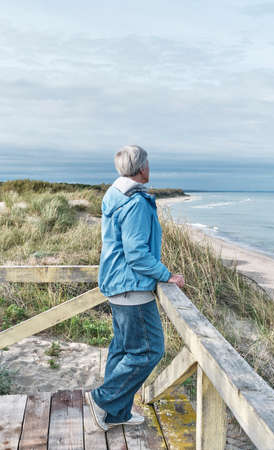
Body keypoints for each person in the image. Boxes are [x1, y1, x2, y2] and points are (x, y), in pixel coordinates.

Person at [85, 145, 184, 431]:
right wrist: (166, 275)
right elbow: (137, 253)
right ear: (141, 168)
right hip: (131, 287)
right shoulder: (136, 202)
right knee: (149, 350)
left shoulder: (115, 194)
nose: (150, 167)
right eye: (148, 163)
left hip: (117, 283)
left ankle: (117, 413)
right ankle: (104, 400)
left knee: (122, 348)